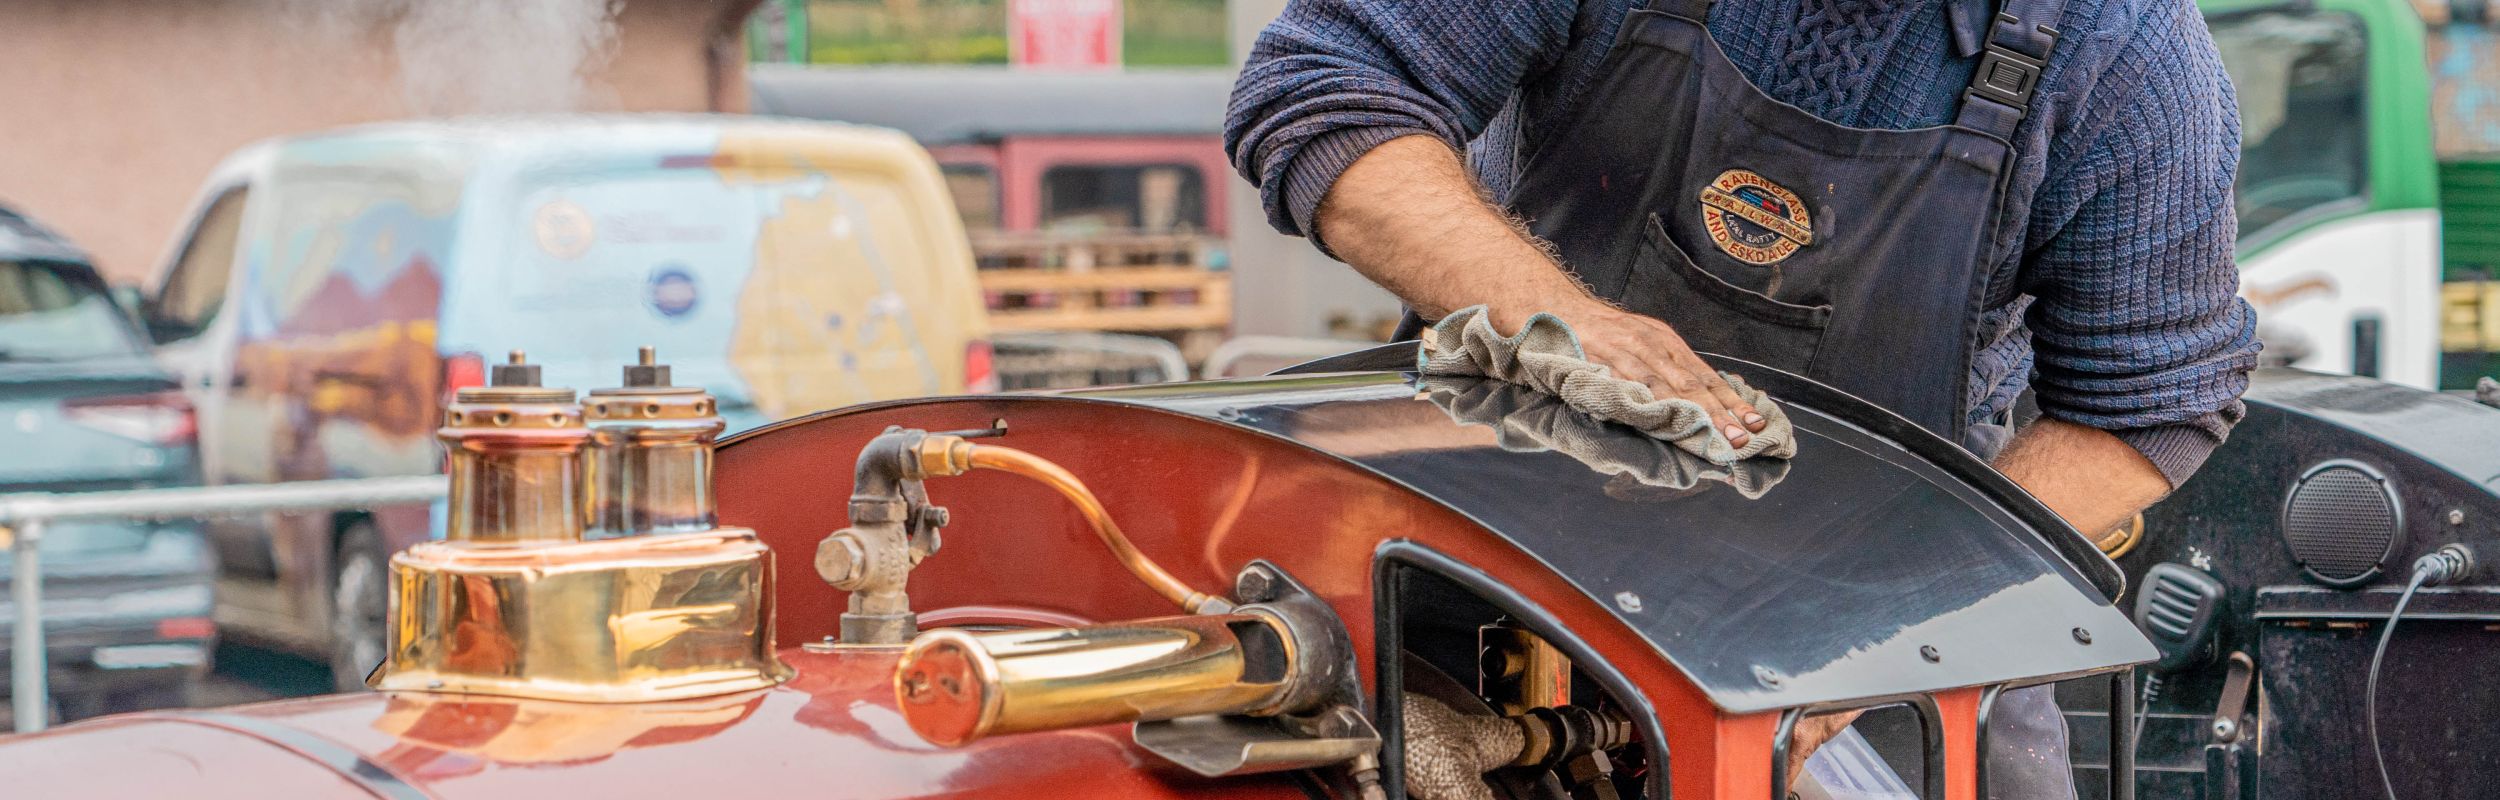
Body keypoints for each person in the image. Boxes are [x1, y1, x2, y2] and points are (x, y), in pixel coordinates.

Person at [1226, 0, 2262, 796]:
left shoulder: (2120, 46)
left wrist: (1875, 622)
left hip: (1899, 634)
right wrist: (1546, 315)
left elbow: (2150, 399)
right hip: (1482, 584)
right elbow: (1331, 84)